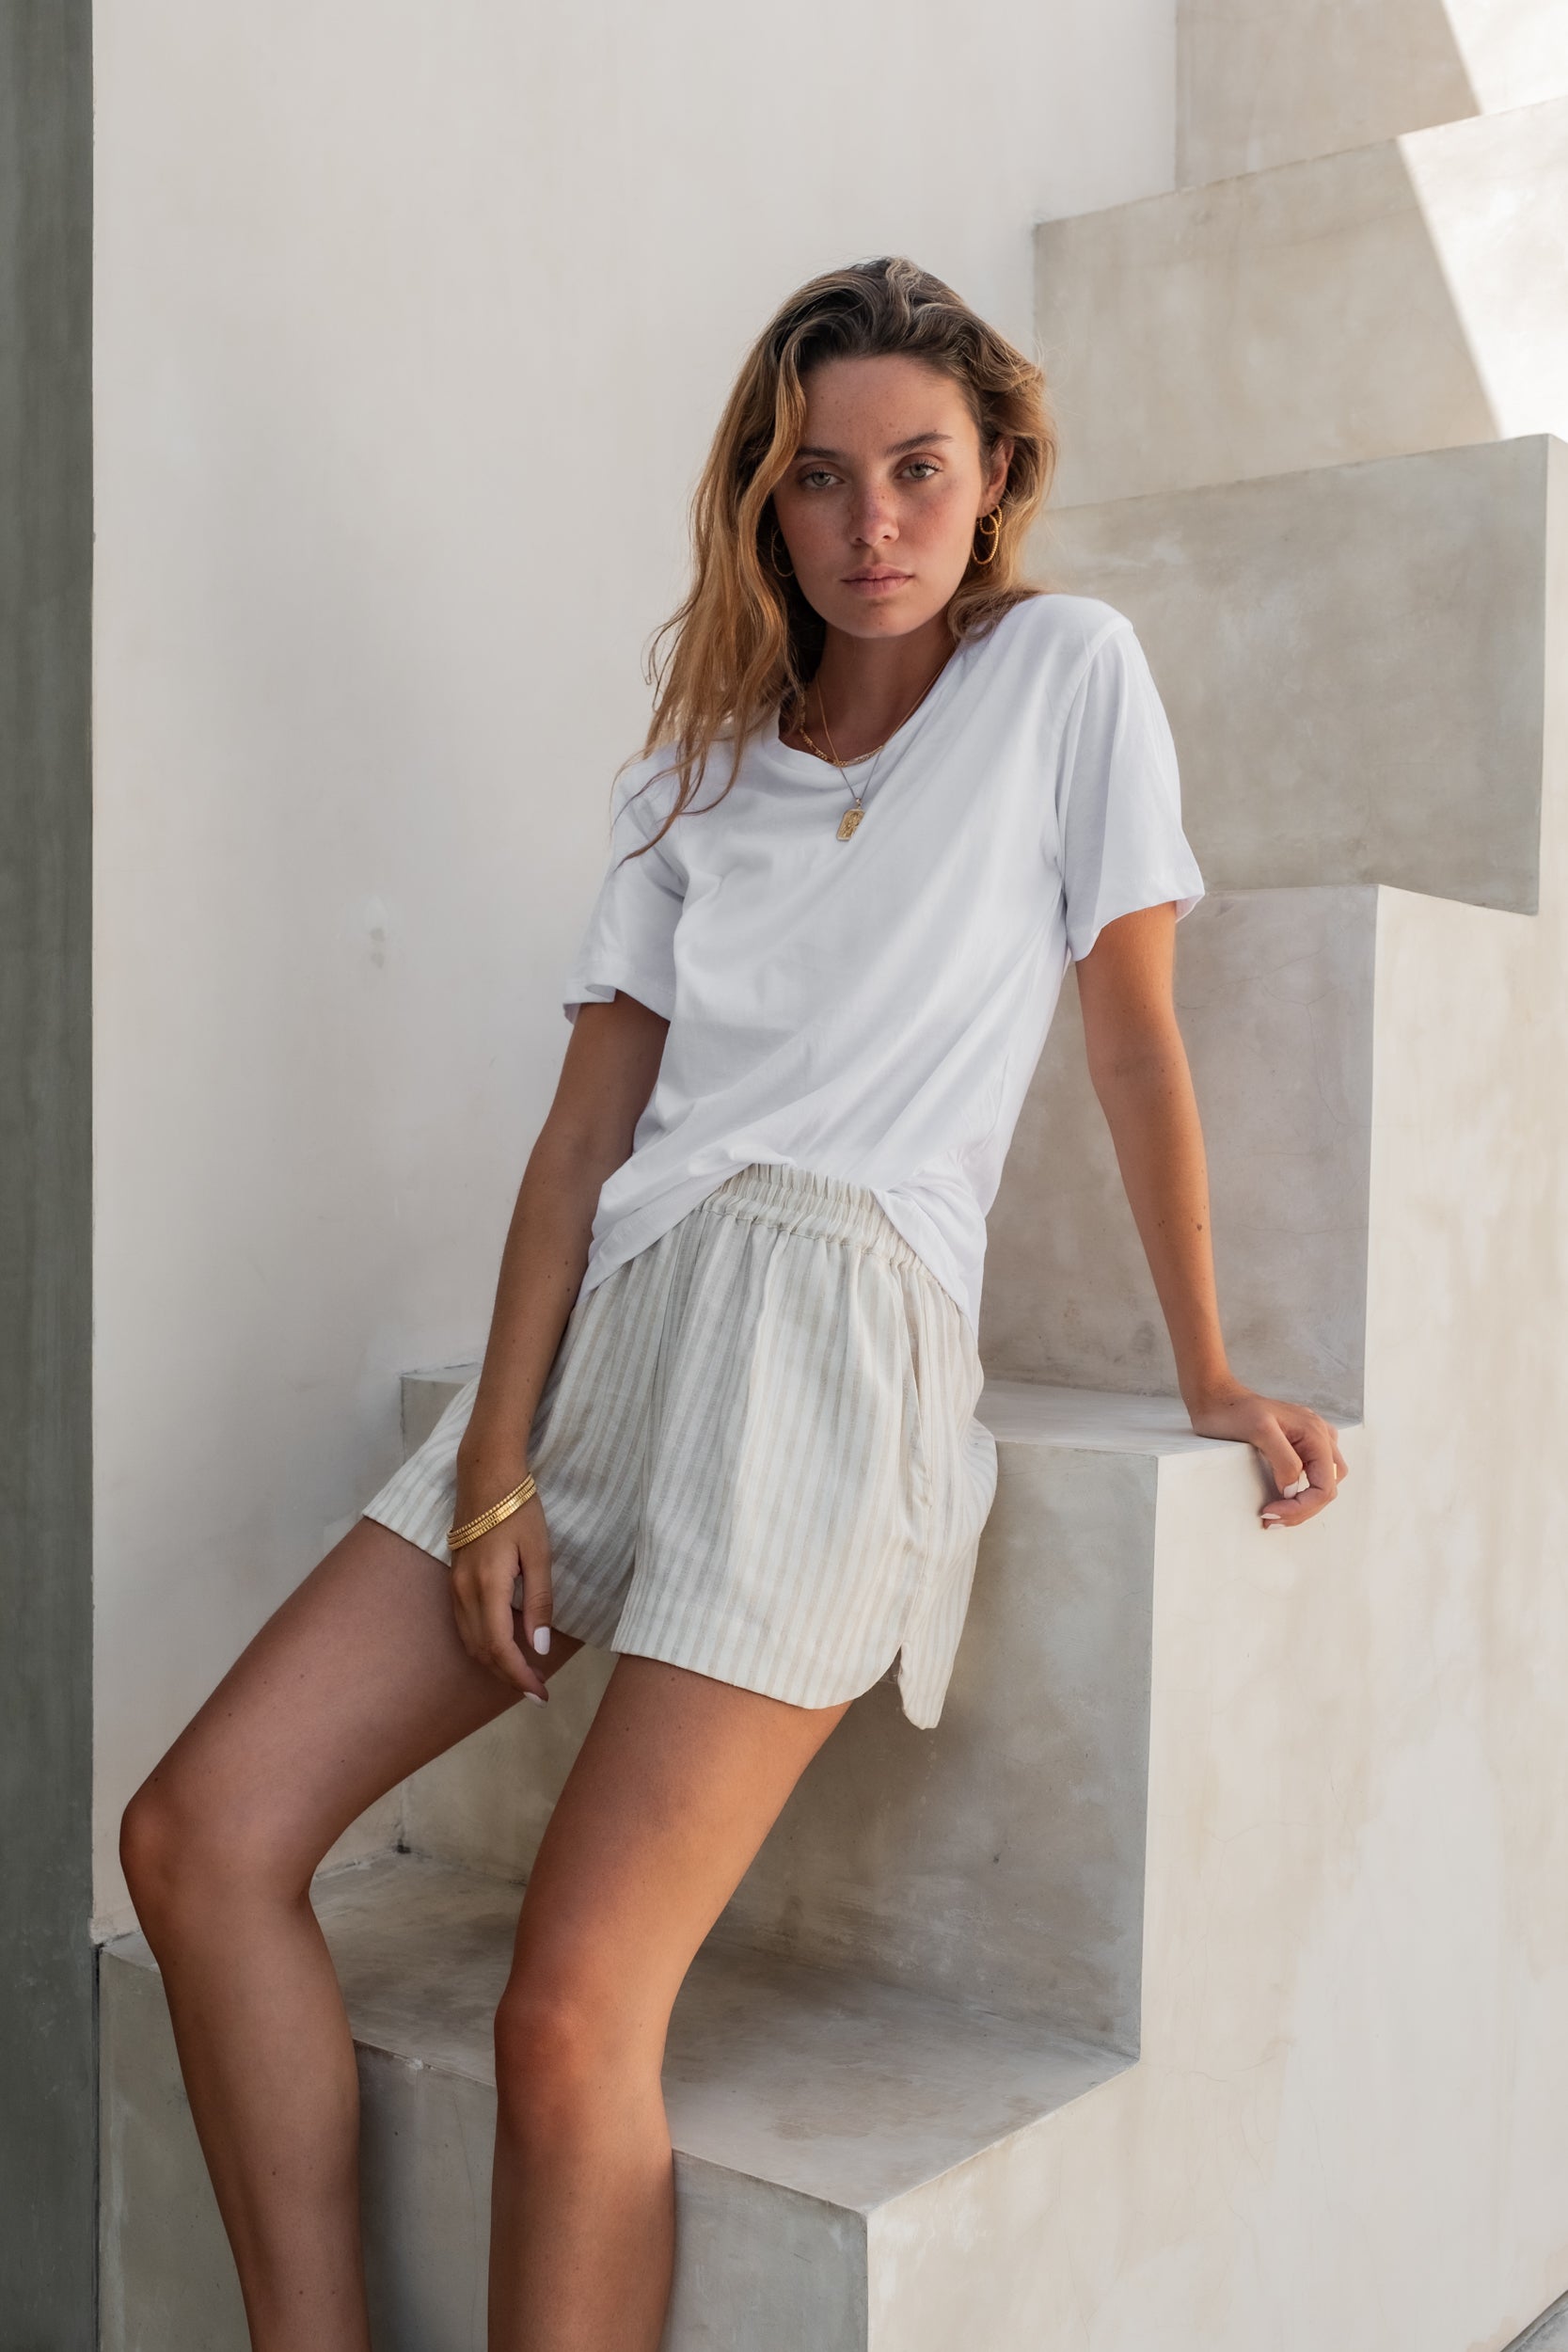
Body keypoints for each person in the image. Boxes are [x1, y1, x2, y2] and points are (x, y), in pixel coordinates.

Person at [119, 254, 1346, 2352]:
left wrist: (1210, 1365)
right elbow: (579, 1147)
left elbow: (1133, 1041)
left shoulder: (1067, 677)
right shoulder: (691, 772)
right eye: (818, 477)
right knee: (196, 1833)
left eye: (917, 469)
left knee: (570, 2008)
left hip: (834, 1340)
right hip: (618, 1344)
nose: (873, 519)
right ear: (761, 504)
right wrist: (496, 1462)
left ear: (994, 474)